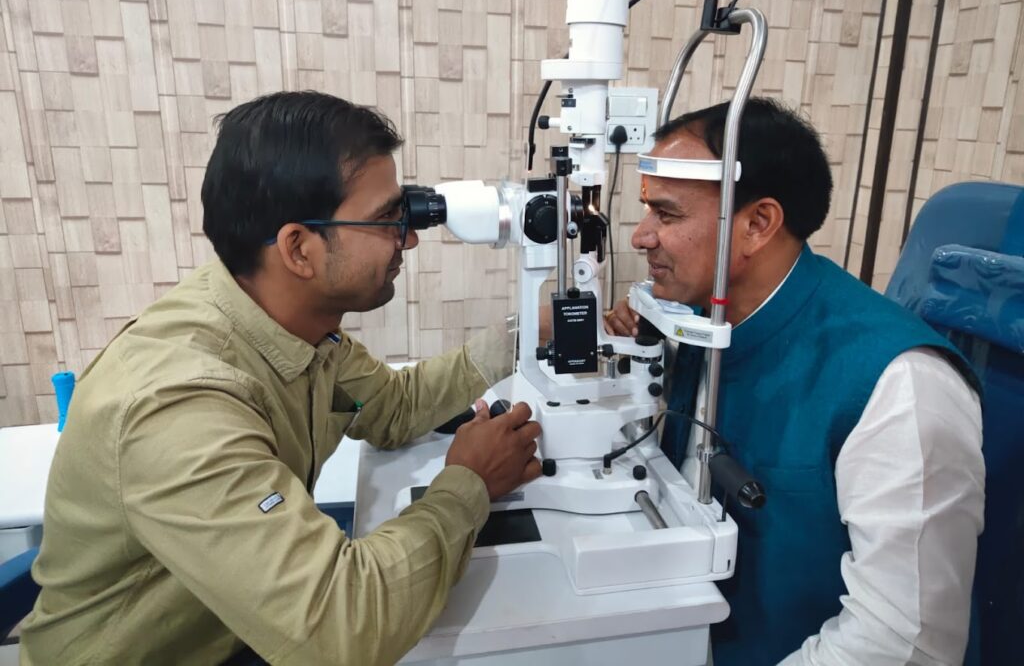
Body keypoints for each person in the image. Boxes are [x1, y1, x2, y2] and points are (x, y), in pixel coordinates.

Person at [21, 91, 542, 665]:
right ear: (299, 248)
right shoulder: (178, 405)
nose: (410, 238)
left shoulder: (289, 322)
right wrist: (467, 483)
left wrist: (528, 334)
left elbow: (392, 406)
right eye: (388, 220)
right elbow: (341, 627)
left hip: (237, 628)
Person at [605, 97, 984, 665]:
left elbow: (904, 644)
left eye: (668, 215)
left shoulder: (899, 386)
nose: (641, 237)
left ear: (757, 224)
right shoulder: (704, 329)